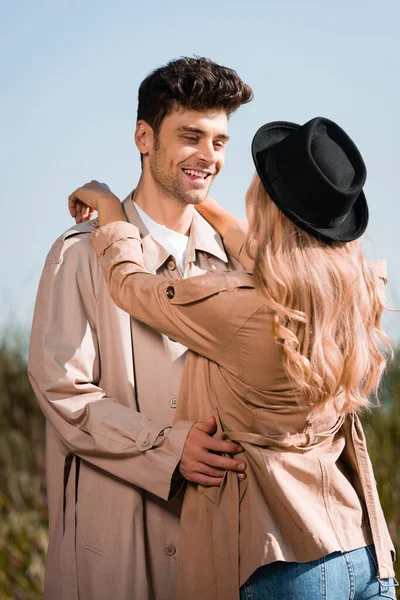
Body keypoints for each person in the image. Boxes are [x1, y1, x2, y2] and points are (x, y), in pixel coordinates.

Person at [68, 117, 398, 600]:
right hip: (364, 554)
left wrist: (113, 213)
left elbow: (132, 287)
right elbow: (282, 259)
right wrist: (204, 205)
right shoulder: (358, 293)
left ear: (267, 206)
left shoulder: (240, 308)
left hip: (283, 562)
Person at [28, 56, 253, 600]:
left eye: (220, 142)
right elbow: (63, 391)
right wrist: (167, 447)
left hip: (222, 545)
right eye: (191, 137)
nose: (208, 156)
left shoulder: (235, 264)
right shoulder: (79, 255)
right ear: (144, 137)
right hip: (117, 549)